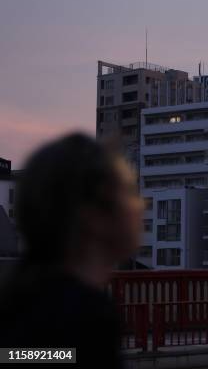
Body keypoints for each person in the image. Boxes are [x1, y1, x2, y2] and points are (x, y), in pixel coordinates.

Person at [0, 133, 143, 369]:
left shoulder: (21, 297)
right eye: (128, 193)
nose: (139, 207)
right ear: (93, 217)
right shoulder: (85, 319)